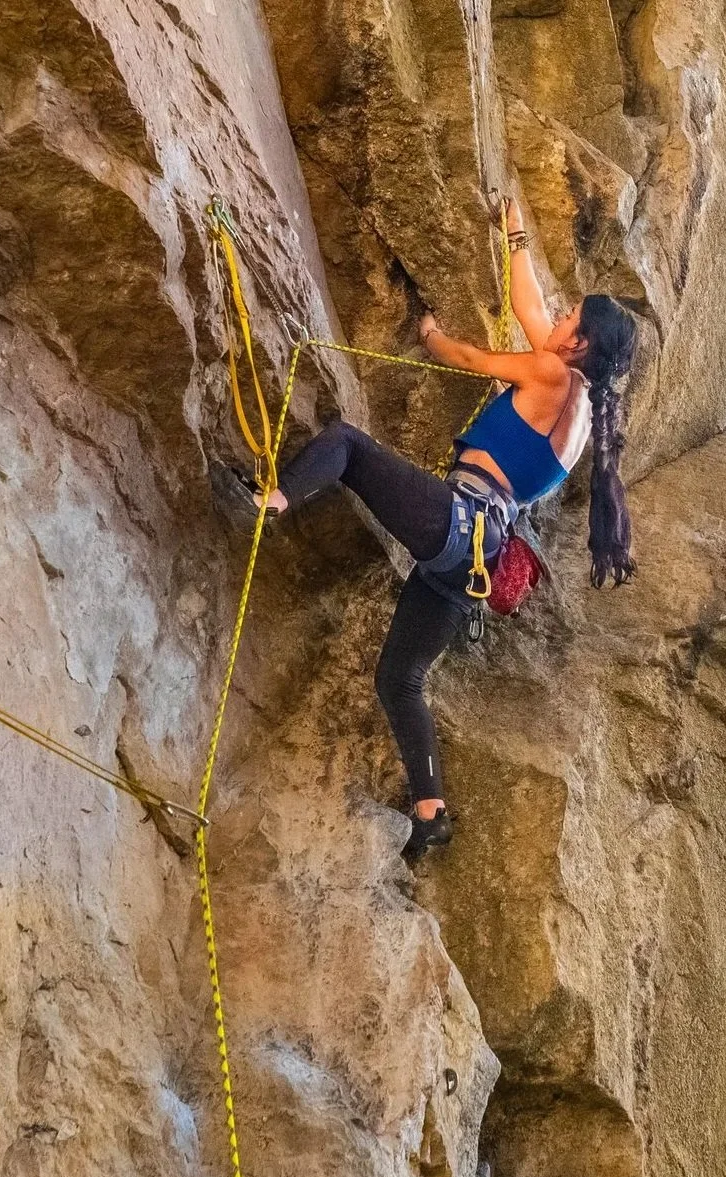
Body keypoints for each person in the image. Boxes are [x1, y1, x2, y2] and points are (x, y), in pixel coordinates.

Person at [231, 198, 638, 858]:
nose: (558, 317)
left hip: (459, 523)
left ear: (579, 344)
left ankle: (267, 507)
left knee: (347, 445)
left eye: (570, 317)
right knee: (400, 681)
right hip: (473, 562)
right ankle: (431, 815)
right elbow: (532, 312)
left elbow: (471, 359)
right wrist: (514, 234)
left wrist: (429, 335)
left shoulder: (550, 373)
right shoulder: (582, 412)